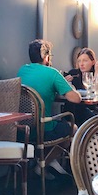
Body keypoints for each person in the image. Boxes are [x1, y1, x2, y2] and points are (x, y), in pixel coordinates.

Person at [18, 39, 81, 176]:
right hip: (42, 129)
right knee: (73, 128)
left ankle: (48, 162)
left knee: (57, 124)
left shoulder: (22, 70)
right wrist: (66, 84)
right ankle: (44, 163)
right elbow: (76, 98)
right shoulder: (52, 73)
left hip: (23, 129)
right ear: (46, 57)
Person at [63, 47, 98, 124]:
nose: (81, 64)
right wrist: (65, 82)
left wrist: (97, 71)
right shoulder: (74, 74)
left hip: (91, 109)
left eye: (85, 61)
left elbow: (97, 92)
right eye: (79, 61)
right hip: (74, 110)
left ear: (93, 62)